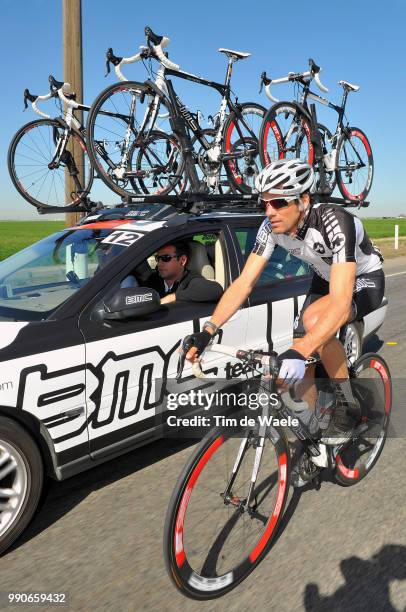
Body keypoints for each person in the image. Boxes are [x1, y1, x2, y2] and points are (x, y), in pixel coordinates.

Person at [183, 158, 385, 445]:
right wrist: (208, 330)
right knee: (300, 363)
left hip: (363, 279)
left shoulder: (335, 221)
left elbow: (340, 302)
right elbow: (243, 283)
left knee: (315, 329)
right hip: (325, 277)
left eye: (278, 203)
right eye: (264, 203)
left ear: (303, 200)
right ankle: (320, 425)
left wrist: (302, 349)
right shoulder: (270, 228)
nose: (269, 211)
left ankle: (348, 407)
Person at [146, 241, 223, 305]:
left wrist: (173, 297)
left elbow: (216, 290)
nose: (159, 263)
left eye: (165, 258)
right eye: (158, 258)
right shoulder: (153, 279)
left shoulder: (190, 280)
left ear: (182, 260)